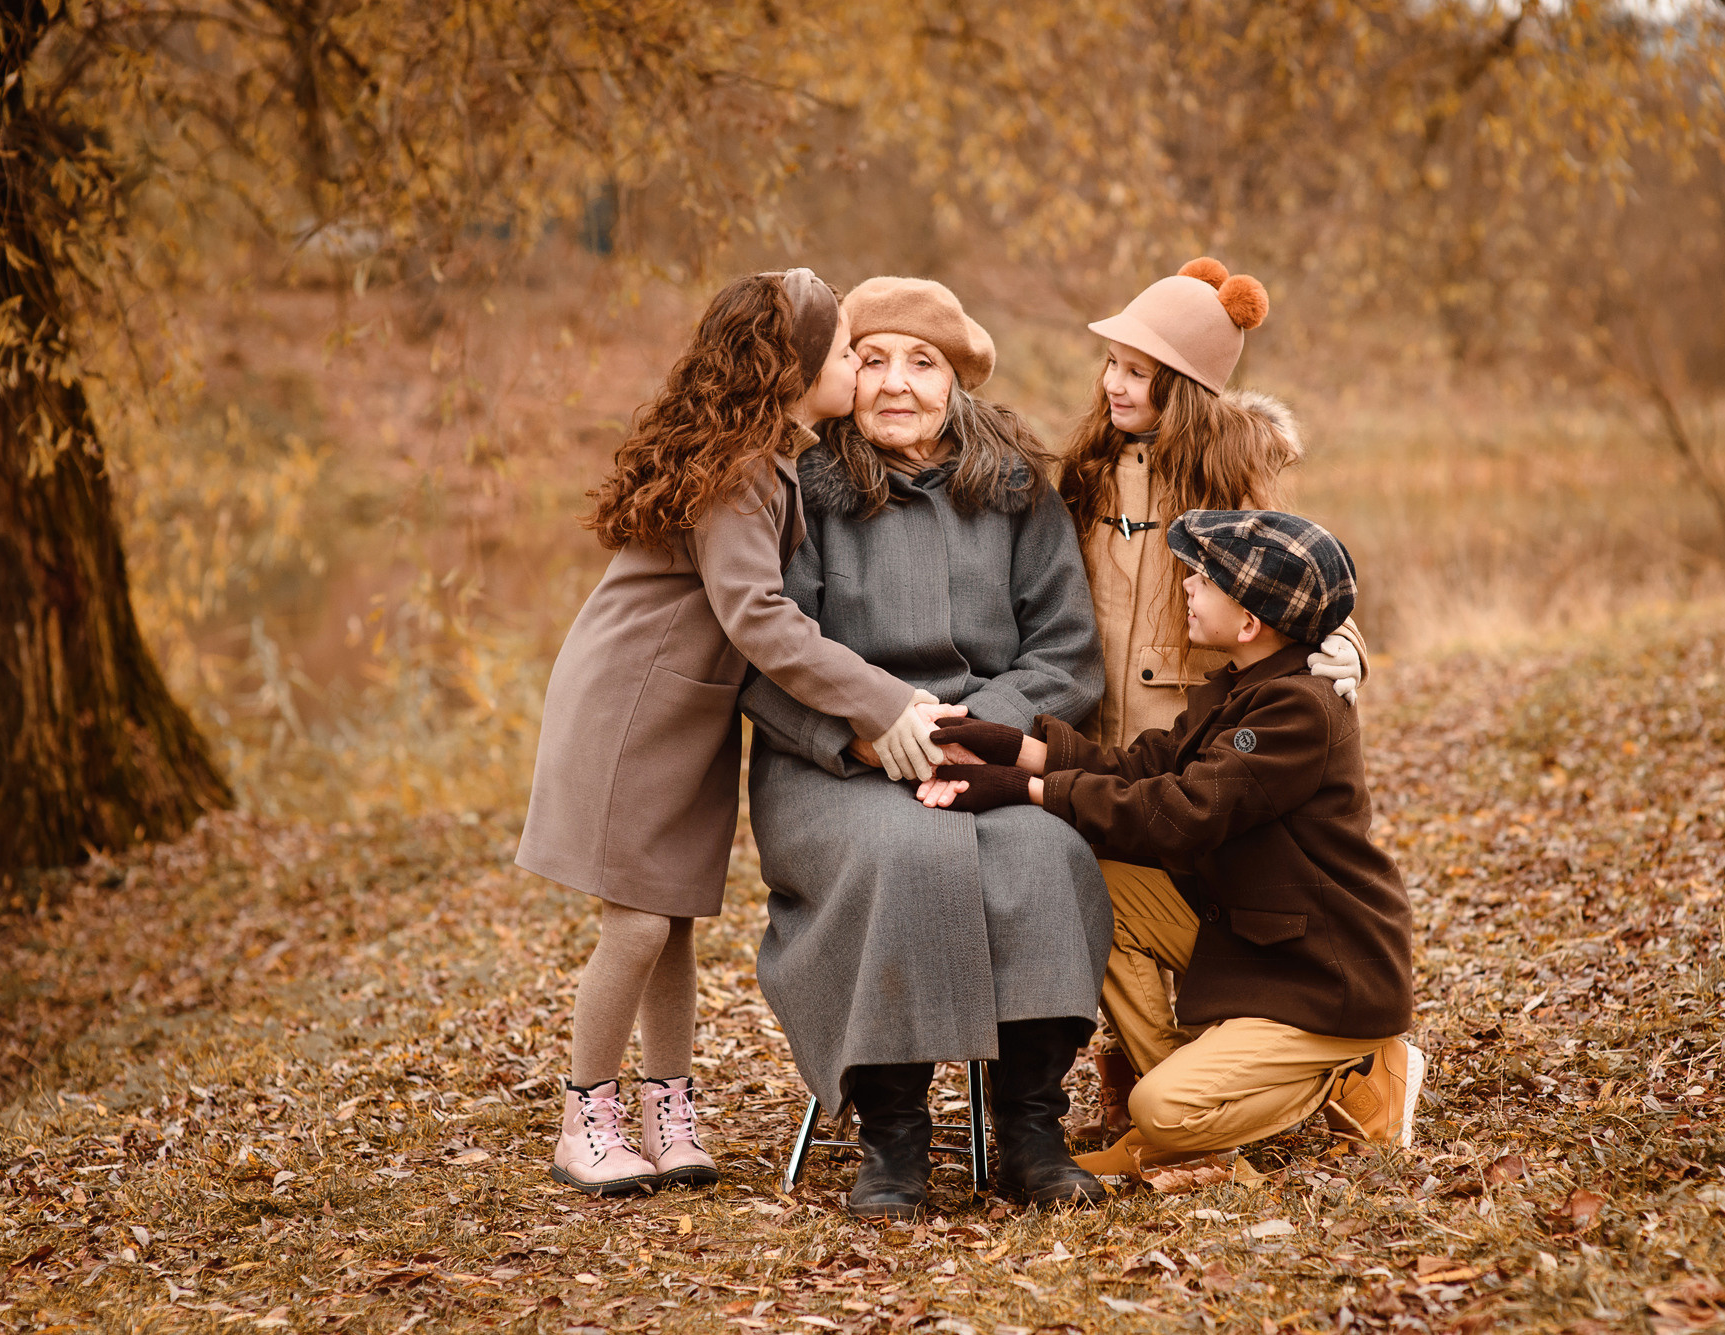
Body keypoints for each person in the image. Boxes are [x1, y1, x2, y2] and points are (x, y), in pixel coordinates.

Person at [516, 270, 953, 1197]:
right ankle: (584, 1115)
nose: (859, 368)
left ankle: (666, 1112)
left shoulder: (765, 456)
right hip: (633, 709)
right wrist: (882, 700)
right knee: (637, 922)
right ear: (797, 368)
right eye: (847, 352)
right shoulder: (740, 472)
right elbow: (759, 615)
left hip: (684, 710)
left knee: (672, 918)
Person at [741, 276, 1112, 1219]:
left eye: (923, 363)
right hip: (837, 764)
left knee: (1047, 852)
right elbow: (768, 656)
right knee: (901, 854)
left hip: (990, 750)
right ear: (841, 376)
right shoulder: (803, 490)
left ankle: (1032, 1131)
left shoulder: (1018, 488)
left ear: (957, 381)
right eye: (872, 360)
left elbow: (1065, 652)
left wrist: (977, 735)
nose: (897, 383)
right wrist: (866, 738)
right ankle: (894, 1140)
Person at [921, 510, 1424, 1170]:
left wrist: (1026, 791)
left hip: (1324, 973)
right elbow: (1145, 766)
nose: (1186, 584)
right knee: (1088, 879)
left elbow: (1182, 812)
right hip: (1261, 935)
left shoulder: (1298, 709)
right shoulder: (1241, 685)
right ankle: (1186, 1111)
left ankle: (1349, 1073)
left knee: (1160, 1107)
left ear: (1249, 624)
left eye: (1205, 580)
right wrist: (1015, 748)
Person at [1053, 255, 1371, 1138]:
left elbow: (1305, 582)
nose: (1115, 384)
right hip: (1110, 739)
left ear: (1185, 387)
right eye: (1112, 363)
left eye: (1139, 372)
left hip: (1207, 751)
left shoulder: (1228, 479)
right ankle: (1152, 1089)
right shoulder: (1084, 473)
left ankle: (1244, 1082)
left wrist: (1346, 646)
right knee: (1095, 891)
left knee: (1214, 910)